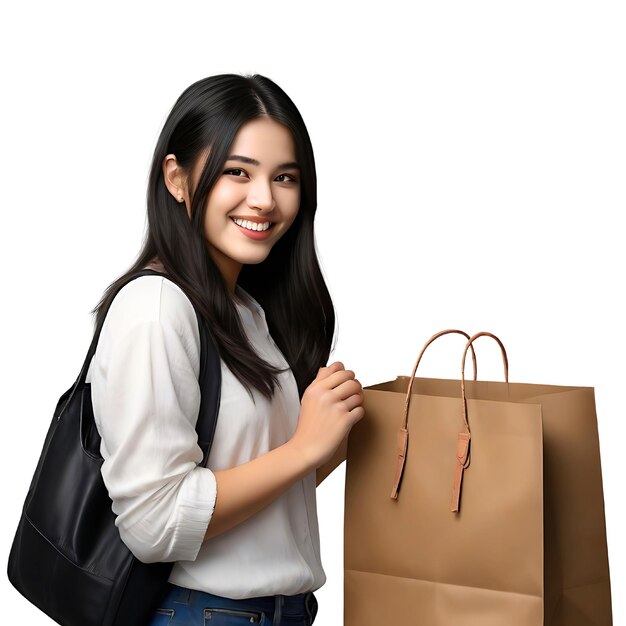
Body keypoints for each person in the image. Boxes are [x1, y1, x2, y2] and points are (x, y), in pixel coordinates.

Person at [85, 73, 365, 626]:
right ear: (178, 178)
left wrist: (332, 438)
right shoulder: (157, 308)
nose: (264, 199)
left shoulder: (246, 311)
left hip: (279, 613)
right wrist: (302, 449)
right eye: (238, 171)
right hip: (205, 615)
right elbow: (154, 523)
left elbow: (255, 486)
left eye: (285, 177)